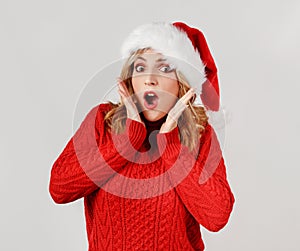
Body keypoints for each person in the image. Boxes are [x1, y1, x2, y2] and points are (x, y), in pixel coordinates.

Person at [49, 21, 235, 251]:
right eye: (140, 68)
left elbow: (216, 216)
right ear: (129, 81)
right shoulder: (101, 121)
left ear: (183, 85)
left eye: (165, 68)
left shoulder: (200, 134)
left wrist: (171, 146)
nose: (150, 79)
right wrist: (127, 140)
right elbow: (59, 188)